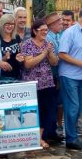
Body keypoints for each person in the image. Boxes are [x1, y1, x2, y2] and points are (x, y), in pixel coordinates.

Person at [58, 7, 82, 150]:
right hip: (69, 75)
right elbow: (62, 54)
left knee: (78, 107)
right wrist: (80, 63)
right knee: (72, 107)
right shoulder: (70, 33)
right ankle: (71, 139)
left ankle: (73, 135)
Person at [21, 19, 59, 149]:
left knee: (47, 111)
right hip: (32, 83)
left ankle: (40, 137)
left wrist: (49, 53)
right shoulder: (27, 44)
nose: (44, 32)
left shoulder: (48, 43)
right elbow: (28, 64)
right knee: (32, 111)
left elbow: (54, 62)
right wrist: (43, 53)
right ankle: (30, 137)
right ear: (34, 31)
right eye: (42, 30)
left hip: (47, 82)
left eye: (46, 30)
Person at [45, 12, 65, 136]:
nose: (62, 24)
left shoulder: (58, 36)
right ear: (51, 25)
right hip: (52, 75)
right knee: (52, 104)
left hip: (57, 74)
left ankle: (53, 129)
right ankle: (50, 131)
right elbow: (54, 60)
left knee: (58, 102)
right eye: (59, 22)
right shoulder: (48, 38)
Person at [0, 14, 24, 80]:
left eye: (12, 24)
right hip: (2, 75)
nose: (10, 26)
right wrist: (5, 57)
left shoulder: (16, 36)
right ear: (2, 24)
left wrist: (20, 57)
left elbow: (22, 52)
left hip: (16, 73)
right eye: (7, 24)